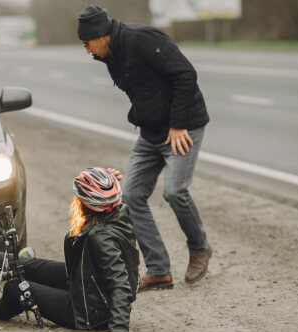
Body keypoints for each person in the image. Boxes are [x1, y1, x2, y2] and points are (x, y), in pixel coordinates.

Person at [77, 5, 212, 291]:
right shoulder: (112, 55)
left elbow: (186, 74)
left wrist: (177, 124)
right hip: (151, 133)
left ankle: (199, 248)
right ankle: (160, 270)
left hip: (181, 128)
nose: (87, 50)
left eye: (87, 43)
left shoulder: (142, 39)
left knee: (175, 191)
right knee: (131, 195)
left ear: (101, 36)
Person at [0, 167, 140, 332]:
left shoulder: (101, 237)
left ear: (87, 204)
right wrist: (105, 183)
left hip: (88, 311)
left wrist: (118, 330)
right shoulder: (119, 211)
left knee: (16, 288)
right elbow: (107, 200)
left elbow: (120, 282)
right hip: (86, 281)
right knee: (26, 265)